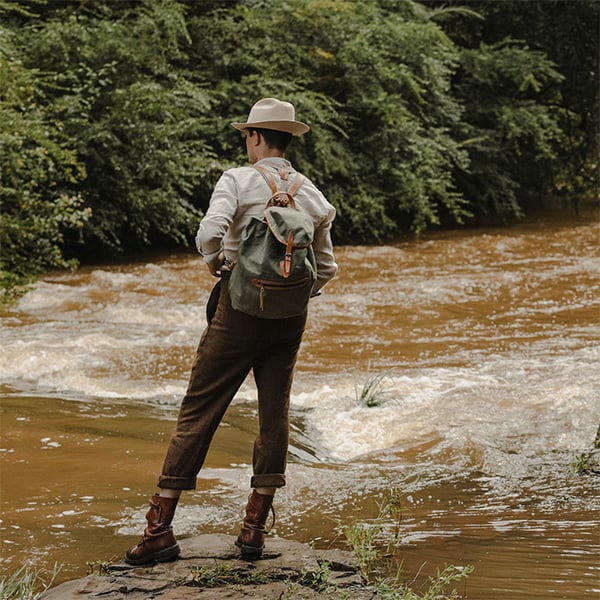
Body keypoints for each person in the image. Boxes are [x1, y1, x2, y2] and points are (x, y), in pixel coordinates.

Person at [125, 98, 338, 565]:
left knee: (199, 409)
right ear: (288, 140)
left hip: (237, 311)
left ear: (256, 137)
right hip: (289, 319)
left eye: (248, 135)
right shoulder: (313, 195)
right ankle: (254, 532)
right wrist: (292, 294)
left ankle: (159, 530)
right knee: (274, 411)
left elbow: (210, 233)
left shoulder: (237, 180)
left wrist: (217, 264)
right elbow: (326, 269)